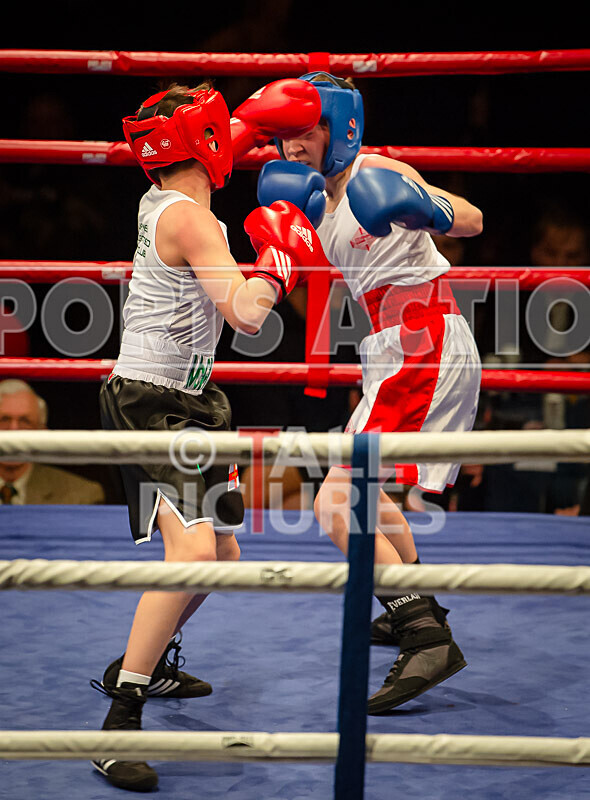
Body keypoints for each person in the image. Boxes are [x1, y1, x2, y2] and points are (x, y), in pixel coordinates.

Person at [92, 79, 330, 791]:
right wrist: (283, 252)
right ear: (205, 145)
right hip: (149, 403)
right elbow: (250, 316)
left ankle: (142, 664)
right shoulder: (195, 221)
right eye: (220, 134)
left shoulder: (167, 202)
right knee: (192, 549)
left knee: (220, 552)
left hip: (191, 402)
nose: (232, 141)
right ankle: (118, 723)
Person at [257, 72, 483, 713]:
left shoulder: (374, 172)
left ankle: (425, 635)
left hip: (422, 337)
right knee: (368, 493)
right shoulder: (306, 195)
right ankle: (412, 605)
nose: (291, 145)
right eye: (283, 134)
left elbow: (472, 220)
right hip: (390, 347)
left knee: (335, 501)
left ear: (338, 126)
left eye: (305, 130)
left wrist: (426, 208)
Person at [0, 379, 105, 504]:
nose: (14, 430)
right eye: (3, 420)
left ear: (42, 432)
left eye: (25, 421)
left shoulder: (80, 495)